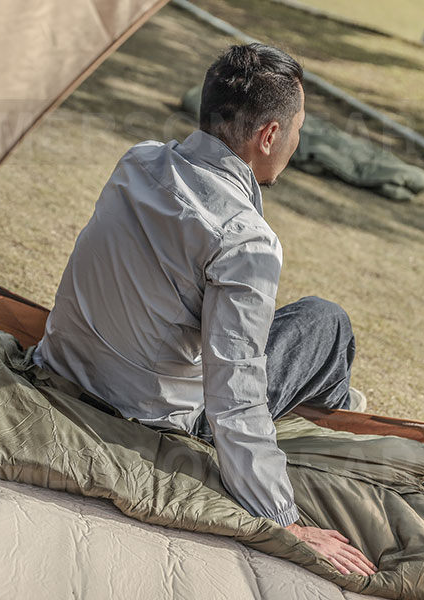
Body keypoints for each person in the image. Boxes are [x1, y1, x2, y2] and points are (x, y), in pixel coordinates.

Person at [34, 43, 376, 577]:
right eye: (298, 126)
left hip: (67, 367)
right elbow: (234, 394)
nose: (298, 139)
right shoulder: (246, 240)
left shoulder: (138, 161)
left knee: (296, 323)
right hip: (156, 414)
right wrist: (281, 519)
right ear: (269, 136)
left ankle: (329, 399)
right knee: (324, 323)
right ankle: (330, 410)